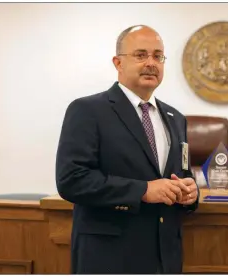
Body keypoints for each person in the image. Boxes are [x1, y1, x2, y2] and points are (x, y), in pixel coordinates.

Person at [55, 25, 199, 274]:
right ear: (118, 63)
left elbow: (182, 172)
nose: (151, 63)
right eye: (141, 55)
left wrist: (190, 191)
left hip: (165, 258)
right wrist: (143, 190)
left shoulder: (176, 118)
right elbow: (72, 180)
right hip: (109, 256)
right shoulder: (88, 110)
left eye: (158, 56)